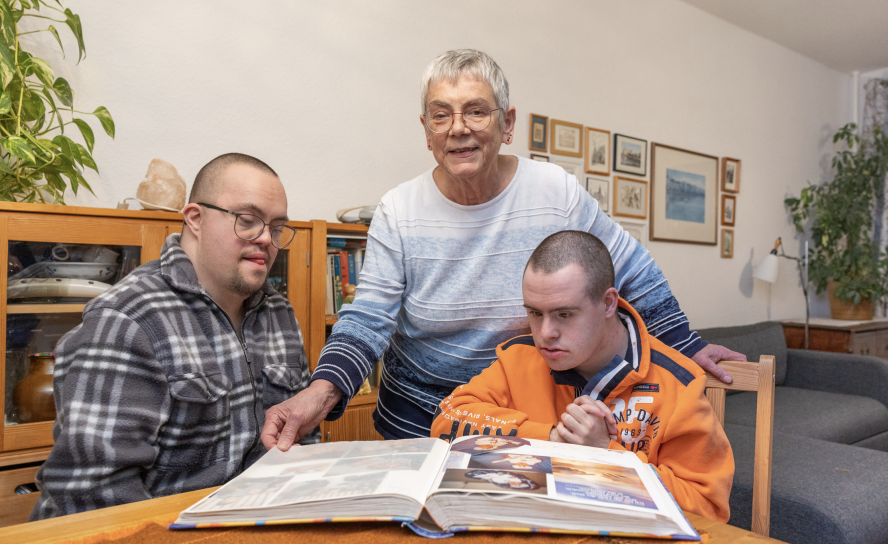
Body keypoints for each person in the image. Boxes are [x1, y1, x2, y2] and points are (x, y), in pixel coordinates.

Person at [261, 49, 742, 449]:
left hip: (518, 418)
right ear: (427, 131)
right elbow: (367, 319)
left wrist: (686, 346)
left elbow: (632, 271)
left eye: (475, 110)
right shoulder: (398, 210)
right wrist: (320, 393)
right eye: (440, 114)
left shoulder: (553, 192)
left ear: (506, 123)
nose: (458, 128)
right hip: (416, 421)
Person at [31, 153, 316, 520]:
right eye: (247, 221)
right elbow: (93, 495)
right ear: (195, 219)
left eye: (276, 228)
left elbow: (300, 442)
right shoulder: (126, 320)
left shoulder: (279, 313)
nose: (266, 239)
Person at [430, 231, 734, 522]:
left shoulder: (678, 383)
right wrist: (551, 439)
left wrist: (605, 454)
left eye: (564, 314)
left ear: (608, 303)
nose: (545, 334)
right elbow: (447, 420)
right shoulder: (518, 357)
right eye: (535, 313)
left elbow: (707, 510)